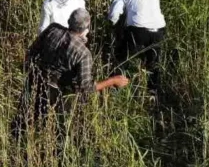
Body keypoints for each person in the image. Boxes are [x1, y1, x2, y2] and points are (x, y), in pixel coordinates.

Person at [13, 8, 129, 136]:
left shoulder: (53, 29)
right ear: (86, 28)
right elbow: (86, 87)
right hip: (55, 91)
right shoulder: (83, 53)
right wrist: (112, 81)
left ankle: (14, 140)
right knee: (57, 129)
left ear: (69, 21)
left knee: (22, 119)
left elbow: (32, 51)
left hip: (33, 79)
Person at [107, 0, 167, 90]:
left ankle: (115, 90)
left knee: (123, 59)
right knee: (153, 63)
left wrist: (112, 25)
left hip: (138, 31)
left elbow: (114, 14)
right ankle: (152, 92)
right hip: (159, 31)